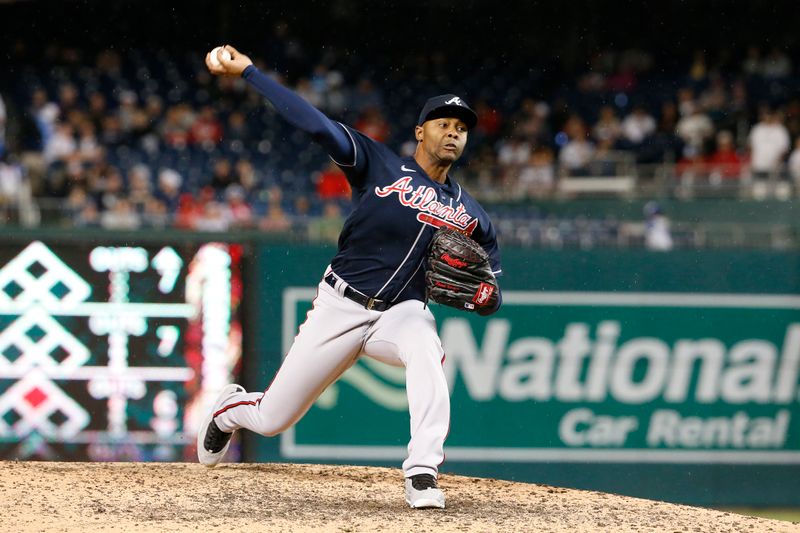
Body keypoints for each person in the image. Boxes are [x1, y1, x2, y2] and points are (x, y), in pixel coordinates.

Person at [197, 45, 503, 510]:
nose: (453, 134)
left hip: (401, 314)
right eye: (443, 124)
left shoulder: (473, 215)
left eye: (461, 129)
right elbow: (315, 124)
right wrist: (251, 73)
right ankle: (229, 410)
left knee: (428, 348)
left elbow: (493, 288)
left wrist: (486, 297)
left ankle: (422, 469)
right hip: (340, 306)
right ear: (420, 132)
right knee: (273, 417)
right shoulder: (378, 163)